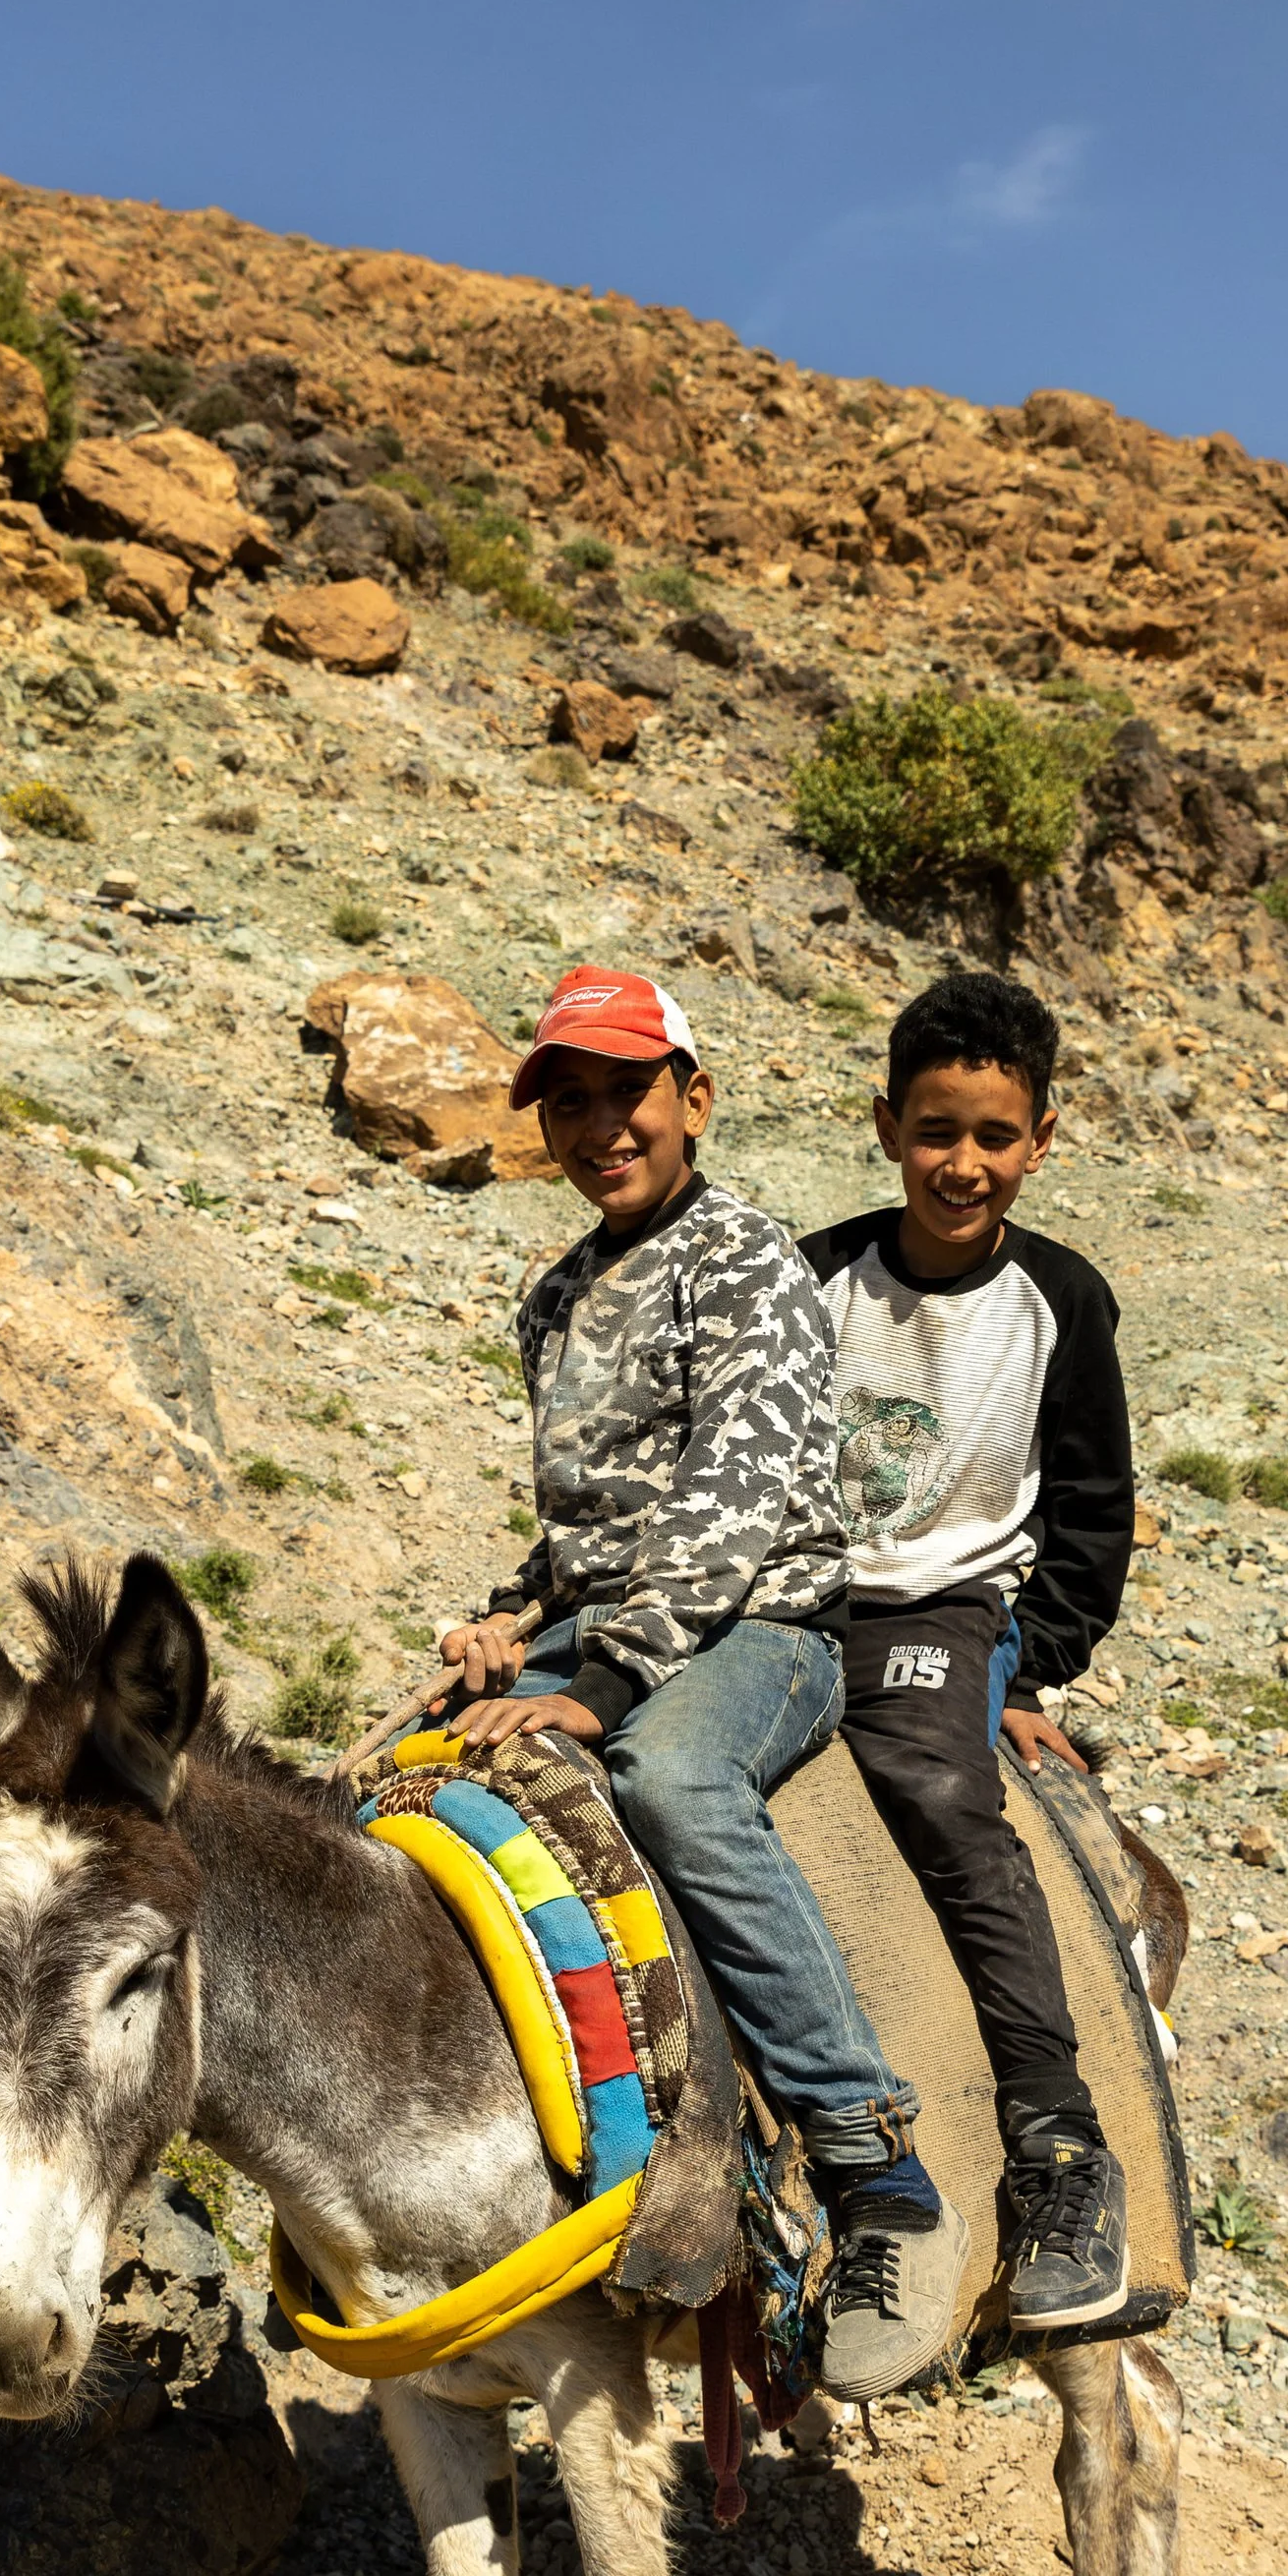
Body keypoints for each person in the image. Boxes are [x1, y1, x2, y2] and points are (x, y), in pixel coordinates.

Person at [436, 962, 968, 2396]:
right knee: (408, 1783)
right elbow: (587, 1526)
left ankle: (872, 2165)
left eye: (630, 1094)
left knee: (670, 1775)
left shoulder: (747, 1262)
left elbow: (733, 1496)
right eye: (573, 1103)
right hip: (610, 1617)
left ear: (696, 1100)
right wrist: (507, 1616)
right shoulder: (553, 1296)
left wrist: (600, 1684)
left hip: (758, 1628)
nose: (603, 1127)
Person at [798, 965, 1136, 2337]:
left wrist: (1029, 1660)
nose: (963, 1163)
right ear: (886, 1124)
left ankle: (1058, 2145)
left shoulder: (1062, 1300)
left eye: (996, 1137)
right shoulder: (813, 1274)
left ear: (1041, 1138)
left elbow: (1094, 1510)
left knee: (945, 1799)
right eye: (937, 1130)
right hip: (795, 1594)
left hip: (943, 1615)